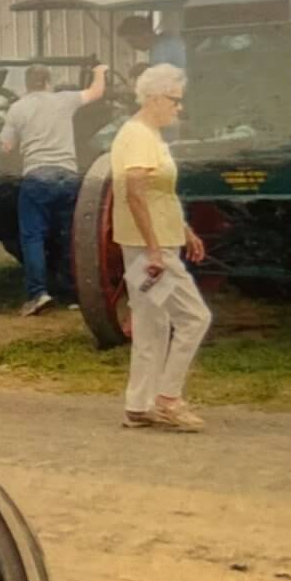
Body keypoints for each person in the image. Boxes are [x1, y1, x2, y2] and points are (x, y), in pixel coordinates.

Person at [111, 65, 211, 432]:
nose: (178, 108)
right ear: (154, 98)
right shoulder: (139, 137)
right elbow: (135, 193)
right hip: (150, 250)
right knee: (194, 317)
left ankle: (139, 404)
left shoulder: (145, 134)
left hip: (149, 244)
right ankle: (169, 398)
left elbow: (158, 193)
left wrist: (184, 229)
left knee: (152, 321)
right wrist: (155, 250)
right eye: (174, 101)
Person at [0, 63, 107, 315]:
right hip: (67, 175)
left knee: (33, 237)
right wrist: (100, 71)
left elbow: (5, 146)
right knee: (68, 235)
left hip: (37, 176)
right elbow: (96, 93)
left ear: (27, 84)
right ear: (48, 82)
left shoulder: (17, 108)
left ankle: (38, 293)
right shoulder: (64, 100)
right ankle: (73, 293)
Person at [119, 14, 186, 70]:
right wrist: (147, 67)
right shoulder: (160, 45)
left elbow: (168, 76)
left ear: (145, 34)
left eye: (132, 41)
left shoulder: (165, 48)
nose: (132, 46)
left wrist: (147, 69)